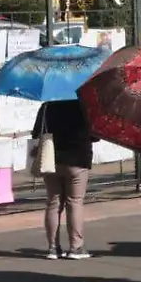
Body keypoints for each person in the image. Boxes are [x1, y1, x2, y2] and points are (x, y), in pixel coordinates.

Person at [33, 99, 96, 260]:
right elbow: (95, 135)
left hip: (51, 160)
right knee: (74, 201)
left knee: (53, 202)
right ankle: (76, 247)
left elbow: (36, 134)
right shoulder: (85, 106)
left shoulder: (47, 106)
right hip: (78, 160)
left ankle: (53, 248)